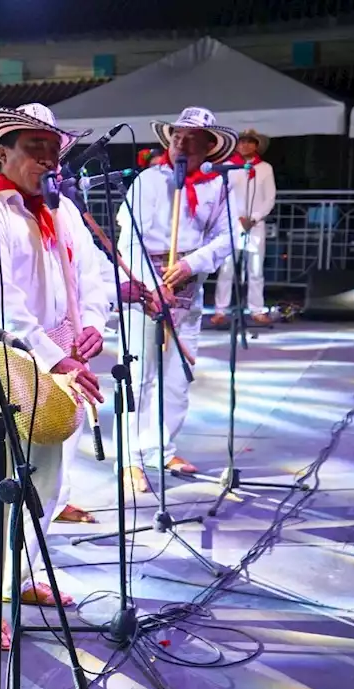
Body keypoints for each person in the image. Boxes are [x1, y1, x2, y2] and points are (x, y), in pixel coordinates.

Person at [0, 103, 112, 650]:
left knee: (45, 481)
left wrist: (92, 324)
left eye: (52, 147)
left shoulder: (62, 210)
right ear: (4, 150)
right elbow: (0, 305)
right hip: (1, 368)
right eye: (34, 146)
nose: (47, 157)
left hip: (57, 365)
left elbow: (93, 273)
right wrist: (56, 356)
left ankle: (17, 581)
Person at [115, 107, 236, 491]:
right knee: (138, 374)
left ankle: (161, 448)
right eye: (177, 136)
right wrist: (152, 284)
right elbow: (128, 237)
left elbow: (226, 237)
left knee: (177, 374)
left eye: (191, 138)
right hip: (146, 288)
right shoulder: (148, 180)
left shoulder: (217, 187)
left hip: (187, 287)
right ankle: (129, 457)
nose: (181, 143)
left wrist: (190, 265)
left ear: (207, 146)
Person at [211, 129, 276, 327]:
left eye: (250, 142)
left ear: (257, 145)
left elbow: (270, 197)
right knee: (227, 268)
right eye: (242, 142)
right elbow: (222, 195)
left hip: (255, 225)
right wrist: (236, 218)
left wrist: (254, 218)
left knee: (255, 270)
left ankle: (256, 310)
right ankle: (220, 310)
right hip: (232, 224)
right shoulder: (229, 168)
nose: (245, 145)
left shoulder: (265, 168)